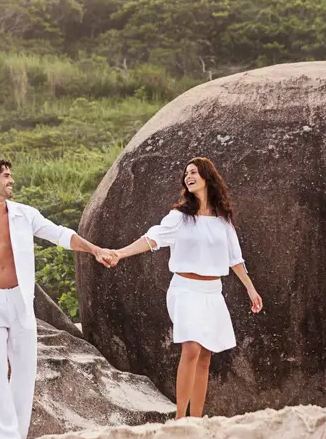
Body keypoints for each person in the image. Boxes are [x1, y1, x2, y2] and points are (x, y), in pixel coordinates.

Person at [0, 157, 113, 439]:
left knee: (25, 371)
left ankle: (17, 436)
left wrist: (94, 249)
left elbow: (60, 235)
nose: (11, 180)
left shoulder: (24, 214)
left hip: (20, 300)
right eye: (6, 176)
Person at [108, 157, 263, 420]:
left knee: (205, 357)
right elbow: (152, 238)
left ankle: (196, 419)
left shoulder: (222, 220)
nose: (188, 176)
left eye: (194, 172)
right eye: (186, 173)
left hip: (212, 293)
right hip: (185, 289)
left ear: (207, 177)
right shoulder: (179, 217)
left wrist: (250, 288)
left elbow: (234, 258)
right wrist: (120, 254)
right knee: (191, 347)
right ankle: (180, 418)